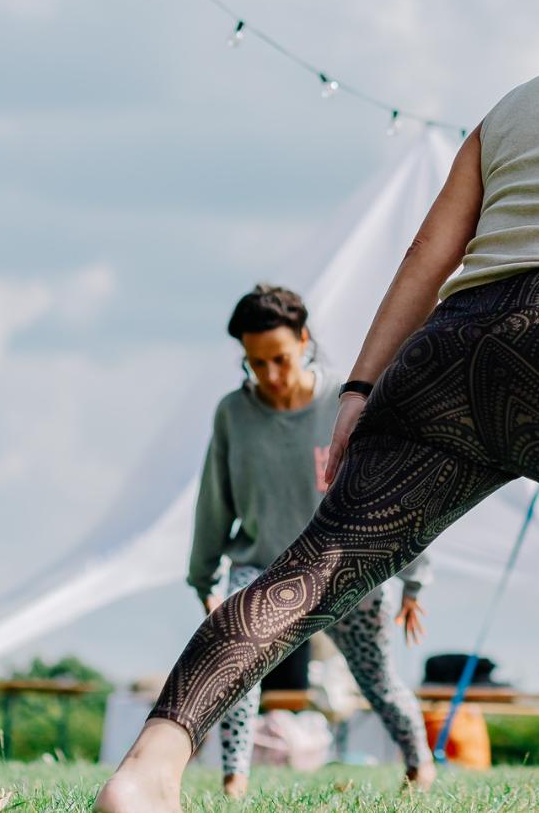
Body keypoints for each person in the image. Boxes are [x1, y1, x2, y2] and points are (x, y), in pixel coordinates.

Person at [97, 0, 539, 813]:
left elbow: (427, 256)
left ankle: (151, 766)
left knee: (314, 570)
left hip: (445, 352)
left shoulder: (514, 107)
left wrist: (358, 385)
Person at [187, 283, 436, 796]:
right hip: (262, 566)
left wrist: (414, 579)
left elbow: (394, 491)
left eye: (279, 358)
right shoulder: (233, 414)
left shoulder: (349, 402)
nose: (271, 376)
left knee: (379, 683)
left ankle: (420, 766)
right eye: (257, 364)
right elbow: (214, 501)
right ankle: (234, 782)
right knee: (236, 661)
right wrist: (203, 579)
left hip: (347, 566)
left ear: (304, 341)